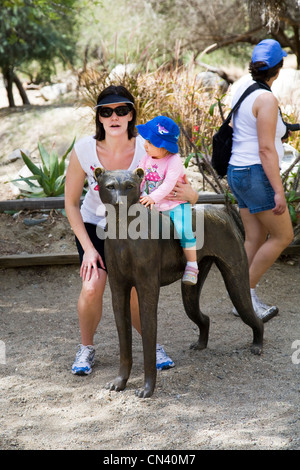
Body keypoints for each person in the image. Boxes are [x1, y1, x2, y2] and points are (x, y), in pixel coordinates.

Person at [65, 86, 198, 375]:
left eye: (121, 110)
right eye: (106, 111)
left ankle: (152, 346)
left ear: (131, 115)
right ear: (99, 117)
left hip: (137, 226)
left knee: (138, 289)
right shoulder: (84, 150)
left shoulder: (147, 147)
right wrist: (88, 249)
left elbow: (180, 187)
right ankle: (86, 347)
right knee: (91, 286)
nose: (114, 116)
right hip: (97, 226)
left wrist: (192, 196)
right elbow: (71, 203)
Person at [227, 39, 294, 322]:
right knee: (283, 236)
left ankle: (241, 299)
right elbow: (266, 150)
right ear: (278, 70)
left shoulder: (242, 85)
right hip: (257, 174)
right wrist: (278, 191)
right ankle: (245, 297)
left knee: (254, 237)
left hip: (237, 171)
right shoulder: (267, 99)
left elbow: (238, 126)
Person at [137, 116, 199, 285]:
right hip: (153, 204)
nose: (145, 145)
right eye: (146, 141)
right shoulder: (146, 158)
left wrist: (151, 197)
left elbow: (168, 184)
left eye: (151, 142)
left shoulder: (174, 161)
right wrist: (138, 194)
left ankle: (192, 266)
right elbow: (140, 178)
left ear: (164, 147)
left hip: (174, 204)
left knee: (183, 228)